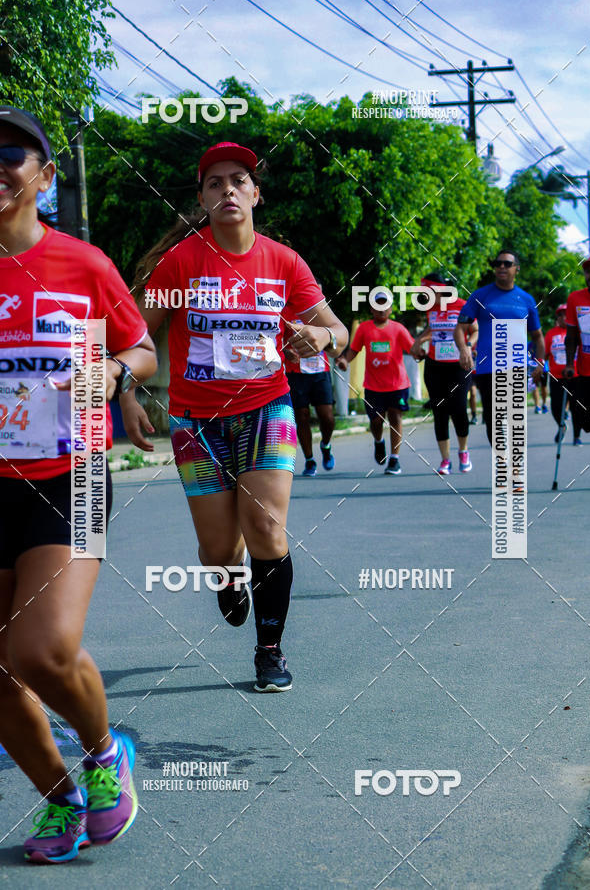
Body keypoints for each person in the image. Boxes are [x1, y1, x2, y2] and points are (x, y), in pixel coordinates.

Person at [121, 141, 347, 693]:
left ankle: (269, 651)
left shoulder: (284, 262)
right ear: (202, 198)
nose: (228, 190)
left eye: (238, 180)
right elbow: (134, 334)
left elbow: (339, 331)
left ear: (255, 193)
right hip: (196, 422)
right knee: (220, 550)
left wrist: (317, 334)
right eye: (215, 182)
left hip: (267, 409)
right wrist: (125, 390)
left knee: (267, 528)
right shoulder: (182, 262)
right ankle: (228, 577)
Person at [0, 107, 157, 863]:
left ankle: (105, 757)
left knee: (43, 649)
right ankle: (62, 800)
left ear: (44, 175)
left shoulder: (84, 263)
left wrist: (118, 373)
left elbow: (141, 347)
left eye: (11, 153)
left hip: (73, 474)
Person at [454, 249, 544, 445]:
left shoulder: (526, 299)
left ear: (516, 269)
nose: (501, 267)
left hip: (517, 367)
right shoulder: (480, 295)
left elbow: (537, 336)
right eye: (498, 263)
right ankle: (501, 457)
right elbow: (460, 328)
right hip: (488, 368)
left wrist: (540, 362)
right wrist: (464, 349)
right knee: (493, 419)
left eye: (507, 264)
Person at [335, 291, 414, 475]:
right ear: (371, 308)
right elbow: (353, 350)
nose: (381, 309)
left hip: (397, 384)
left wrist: (421, 351)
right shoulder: (364, 328)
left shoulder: (398, 329)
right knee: (376, 421)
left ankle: (394, 459)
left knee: (395, 417)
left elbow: (412, 348)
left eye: (384, 305)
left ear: (391, 308)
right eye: (377, 305)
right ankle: (379, 442)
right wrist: (345, 361)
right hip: (373, 386)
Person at [411, 273, 477, 475]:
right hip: (434, 365)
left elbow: (475, 330)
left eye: (428, 290)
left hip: (458, 365)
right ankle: (445, 459)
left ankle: (463, 451)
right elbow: (432, 328)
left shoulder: (462, 305)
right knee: (439, 411)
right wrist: (419, 340)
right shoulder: (431, 307)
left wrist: (467, 347)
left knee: (458, 408)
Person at [284, 311, 335, 476]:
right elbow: (274, 340)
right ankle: (309, 460)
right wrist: (286, 352)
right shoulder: (284, 310)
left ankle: (325, 446)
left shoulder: (322, 313)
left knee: (327, 417)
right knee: (302, 416)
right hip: (296, 372)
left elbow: (335, 337)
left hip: (320, 370)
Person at [564, 254, 590, 443]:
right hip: (587, 371)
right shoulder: (575, 298)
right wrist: (570, 363)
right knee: (587, 424)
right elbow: (571, 337)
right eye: (589, 272)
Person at [545, 303, 579, 443]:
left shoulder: (578, 332)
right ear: (557, 318)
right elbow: (545, 354)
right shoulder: (551, 334)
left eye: (566, 314)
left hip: (576, 375)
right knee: (555, 406)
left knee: (576, 407)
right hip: (556, 376)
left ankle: (577, 436)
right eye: (560, 314)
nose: (563, 317)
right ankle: (562, 425)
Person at [529, 340, 549, 413]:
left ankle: (544, 403)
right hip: (533, 368)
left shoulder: (544, 343)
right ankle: (537, 406)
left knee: (544, 388)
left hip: (544, 369)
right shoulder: (529, 344)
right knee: (535, 387)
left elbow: (547, 354)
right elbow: (527, 355)